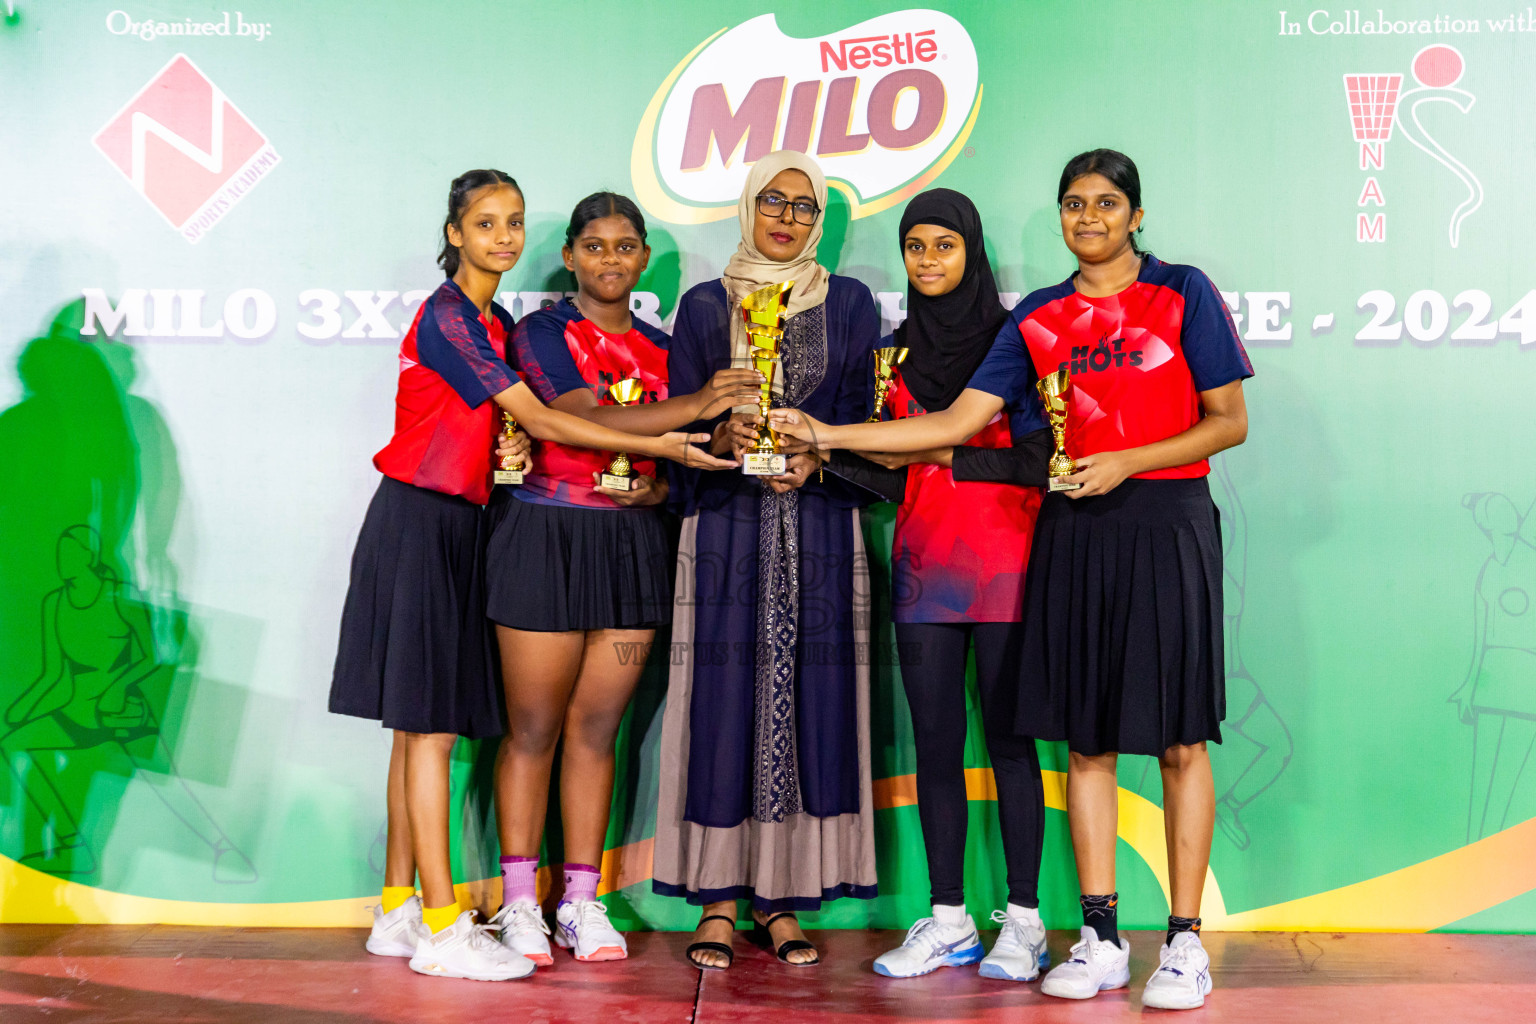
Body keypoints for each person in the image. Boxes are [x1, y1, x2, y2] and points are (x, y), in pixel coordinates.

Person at [771, 149, 1251, 1010]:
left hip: (1167, 526)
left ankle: (1183, 943)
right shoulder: (1039, 314)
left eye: (1107, 203)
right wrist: (827, 436)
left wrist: (1127, 464)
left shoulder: (1183, 291)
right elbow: (959, 421)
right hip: (1072, 537)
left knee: (1180, 739)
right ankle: (1101, 937)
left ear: (1136, 215)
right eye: (1073, 203)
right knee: (1088, 743)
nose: (1089, 218)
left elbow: (1229, 422)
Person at [328, 170, 733, 982]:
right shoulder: (455, 318)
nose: (505, 237)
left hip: (464, 521)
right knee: (432, 729)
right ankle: (445, 923)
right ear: (455, 233)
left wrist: (654, 471)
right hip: (422, 520)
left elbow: (516, 432)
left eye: (513, 222)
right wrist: (678, 435)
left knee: (422, 726)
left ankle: (398, 908)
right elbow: (555, 419)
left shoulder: (489, 317)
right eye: (487, 224)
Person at [482, 192, 759, 966]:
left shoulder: (666, 347)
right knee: (532, 730)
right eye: (594, 246)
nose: (610, 259)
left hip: (633, 543)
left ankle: (579, 899)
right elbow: (581, 415)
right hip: (545, 535)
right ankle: (517, 905)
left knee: (596, 732)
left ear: (642, 261)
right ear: (570, 256)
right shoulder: (541, 331)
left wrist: (662, 488)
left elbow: (684, 450)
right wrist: (698, 405)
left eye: (625, 246)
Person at [650, 150, 881, 970]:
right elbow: (678, 426)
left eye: (803, 207)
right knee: (720, 696)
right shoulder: (707, 306)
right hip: (723, 528)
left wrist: (820, 460)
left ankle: (781, 901)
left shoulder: (849, 304)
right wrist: (723, 436)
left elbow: (866, 419)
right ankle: (717, 901)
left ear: (820, 221)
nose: (786, 217)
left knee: (813, 696)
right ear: (747, 206)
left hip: (818, 528)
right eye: (772, 201)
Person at [827, 189, 1055, 981]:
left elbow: (1038, 462)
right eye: (915, 247)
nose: (928, 261)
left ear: (972, 251)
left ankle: (1024, 923)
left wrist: (938, 455)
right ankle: (950, 918)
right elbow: (885, 475)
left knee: (1011, 747)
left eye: (944, 246)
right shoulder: (893, 354)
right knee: (934, 750)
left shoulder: (1017, 344)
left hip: (1007, 568)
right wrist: (810, 460)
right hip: (924, 571)